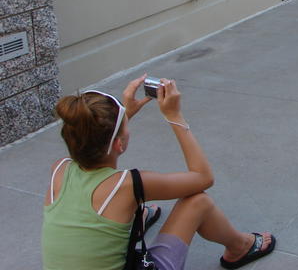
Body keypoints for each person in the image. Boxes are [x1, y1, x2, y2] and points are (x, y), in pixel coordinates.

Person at [42, 75, 275, 270]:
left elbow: (99, 144)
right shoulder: (128, 185)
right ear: (119, 145)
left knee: (129, 209)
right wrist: (174, 116)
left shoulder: (59, 170)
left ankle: (137, 218)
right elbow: (203, 178)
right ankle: (239, 247)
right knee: (198, 201)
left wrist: (124, 116)